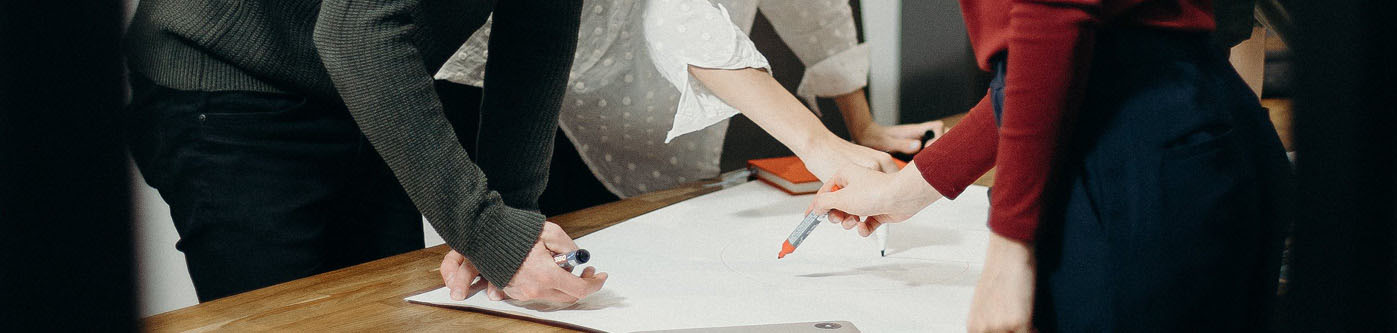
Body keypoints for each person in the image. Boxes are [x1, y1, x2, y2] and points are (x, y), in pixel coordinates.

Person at [808, 0, 1293, 331]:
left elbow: (1051, 30)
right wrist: (904, 191)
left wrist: (1008, 254)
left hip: (1139, 172)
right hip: (1203, 139)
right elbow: (1059, 66)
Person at [124, 0, 605, 303]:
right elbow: (355, 33)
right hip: (226, 72)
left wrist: (511, 212)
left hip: (357, 84)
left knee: (383, 311)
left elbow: (538, 30)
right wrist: (487, 228)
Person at [436, 0, 942, 208]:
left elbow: (814, 8)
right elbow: (680, 18)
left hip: (643, 96)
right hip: (501, 71)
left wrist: (862, 125)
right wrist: (821, 145)